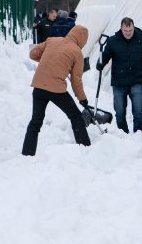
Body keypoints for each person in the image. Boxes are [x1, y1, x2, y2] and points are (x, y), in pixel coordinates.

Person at [22, 24, 91, 156]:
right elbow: (77, 81)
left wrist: (48, 59)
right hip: (56, 90)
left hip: (39, 86)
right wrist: (82, 99)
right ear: (83, 39)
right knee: (75, 116)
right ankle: (85, 147)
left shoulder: (52, 40)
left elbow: (33, 53)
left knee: (36, 121)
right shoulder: (77, 53)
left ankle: (27, 153)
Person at [96, 17, 142, 133]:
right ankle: (123, 134)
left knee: (138, 112)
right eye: (125, 31)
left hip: (136, 81)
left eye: (130, 30)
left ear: (133, 27)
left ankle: (138, 135)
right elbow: (105, 55)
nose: (128, 33)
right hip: (118, 83)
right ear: (121, 28)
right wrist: (100, 63)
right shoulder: (113, 41)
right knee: (120, 113)